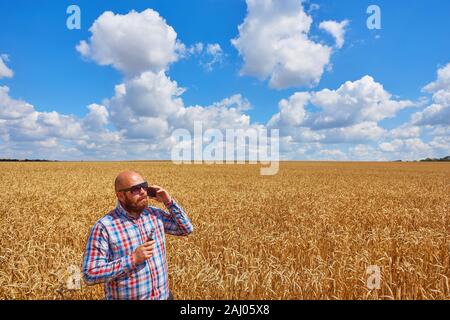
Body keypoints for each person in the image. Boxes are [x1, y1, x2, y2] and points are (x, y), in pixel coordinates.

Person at [82, 170, 193, 300]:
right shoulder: (104, 227)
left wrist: (168, 201)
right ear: (120, 195)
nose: (142, 192)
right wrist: (133, 259)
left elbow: (186, 229)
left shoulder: (154, 215)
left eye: (144, 186)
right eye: (135, 189)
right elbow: (90, 274)